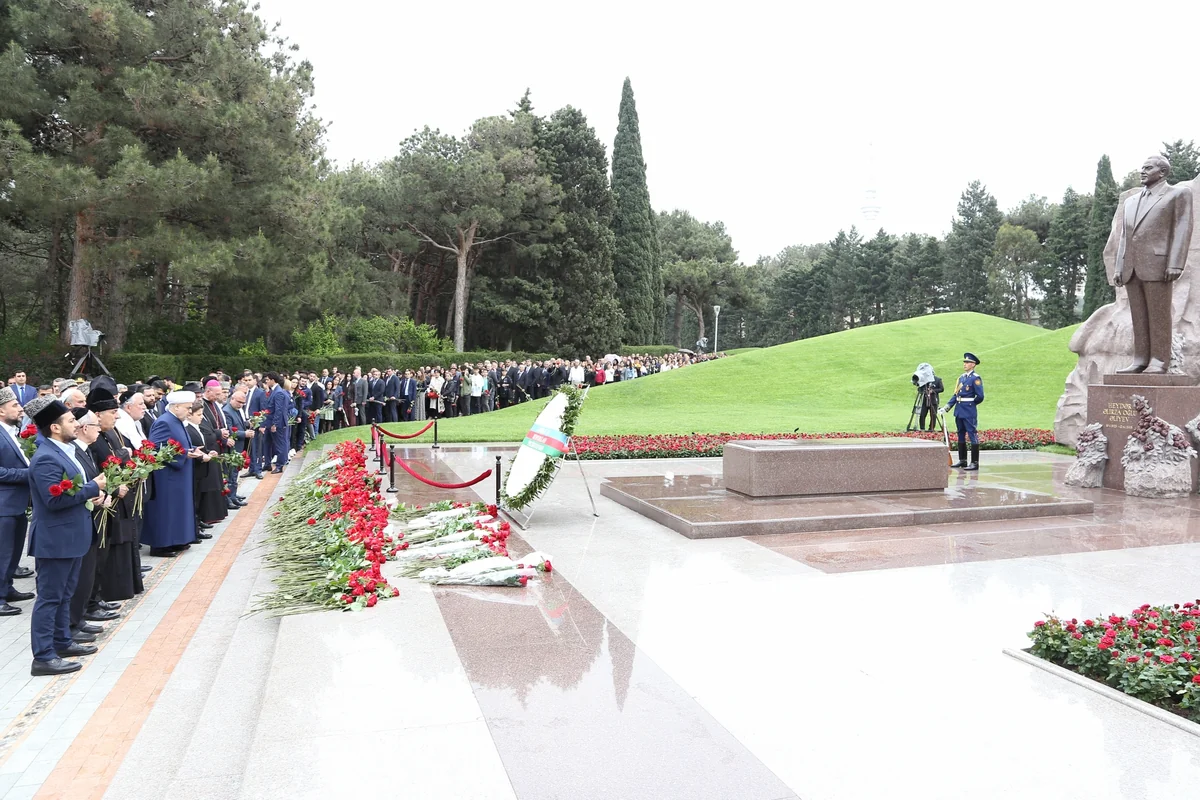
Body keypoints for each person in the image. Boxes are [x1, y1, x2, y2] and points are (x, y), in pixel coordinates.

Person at [23, 395, 106, 676]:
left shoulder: (61, 450)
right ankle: (44, 656)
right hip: (55, 539)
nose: (76, 424)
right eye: (71, 420)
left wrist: (89, 496)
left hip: (71, 535)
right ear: (54, 427)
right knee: (50, 598)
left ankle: (61, 641)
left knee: (64, 594)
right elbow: (53, 500)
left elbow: (69, 492)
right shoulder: (46, 456)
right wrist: (93, 488)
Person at [1113, 155, 1195, 375]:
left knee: (1159, 315)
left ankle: (1159, 361)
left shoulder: (1178, 194)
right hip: (1132, 267)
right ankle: (1140, 359)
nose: (1143, 171)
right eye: (1142, 168)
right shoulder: (1131, 202)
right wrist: (1119, 266)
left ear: (1162, 173)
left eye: (1148, 168)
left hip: (1158, 265)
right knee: (1138, 316)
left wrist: (1176, 263)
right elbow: (1125, 237)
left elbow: (1183, 228)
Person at [142, 390, 198, 557]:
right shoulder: (164, 422)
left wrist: (192, 450)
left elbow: (179, 443)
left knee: (178, 509)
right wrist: (183, 454)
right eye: (188, 408)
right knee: (166, 510)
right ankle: (160, 545)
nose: (190, 411)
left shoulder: (176, 420)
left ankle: (177, 540)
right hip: (167, 475)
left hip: (178, 473)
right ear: (176, 406)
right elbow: (155, 447)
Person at [0, 387, 33, 616]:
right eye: (14, 406)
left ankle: (7, 587)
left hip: (18, 503)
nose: (20, 408)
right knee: (3, 552)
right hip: (4, 504)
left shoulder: (13, 431)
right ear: (1, 411)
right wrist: (26, 474)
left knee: (13, 552)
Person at [943, 353, 985, 471]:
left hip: (969, 410)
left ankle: (974, 462)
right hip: (959, 410)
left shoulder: (975, 378)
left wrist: (970, 404)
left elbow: (980, 396)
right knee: (960, 434)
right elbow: (956, 395)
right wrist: (947, 407)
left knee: (972, 434)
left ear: (973, 364)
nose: (965, 364)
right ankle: (963, 460)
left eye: (967, 363)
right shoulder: (961, 378)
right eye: (964, 362)